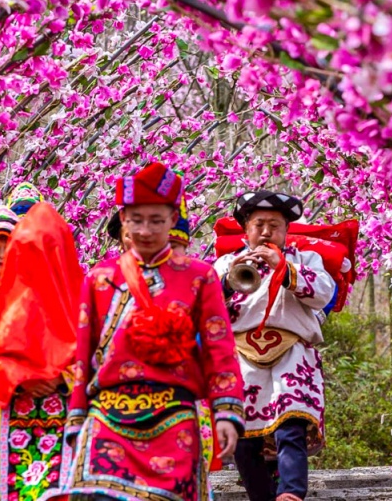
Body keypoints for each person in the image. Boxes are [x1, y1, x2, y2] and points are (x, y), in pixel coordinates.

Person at [53, 162, 245, 501]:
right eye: (136, 220)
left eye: (156, 220)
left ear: (173, 220)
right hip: (107, 414)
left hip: (174, 416)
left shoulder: (200, 277)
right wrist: (76, 415)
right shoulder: (100, 278)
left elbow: (220, 350)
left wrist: (226, 412)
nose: (145, 230)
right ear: (123, 220)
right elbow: (83, 352)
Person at [213, 191, 336, 501]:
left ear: (286, 230)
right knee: (244, 436)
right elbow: (206, 305)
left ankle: (292, 493)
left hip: (292, 354)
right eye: (259, 225)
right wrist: (230, 278)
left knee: (291, 424)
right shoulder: (226, 262)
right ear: (245, 230)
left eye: (275, 225)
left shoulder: (306, 259)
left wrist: (284, 269)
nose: (266, 232)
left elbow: (323, 292)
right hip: (241, 357)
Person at [0, 187, 79, 501]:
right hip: (10, 412)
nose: (2, 254)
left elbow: (93, 355)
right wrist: (19, 378)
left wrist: (59, 376)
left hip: (61, 415)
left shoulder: (75, 295)